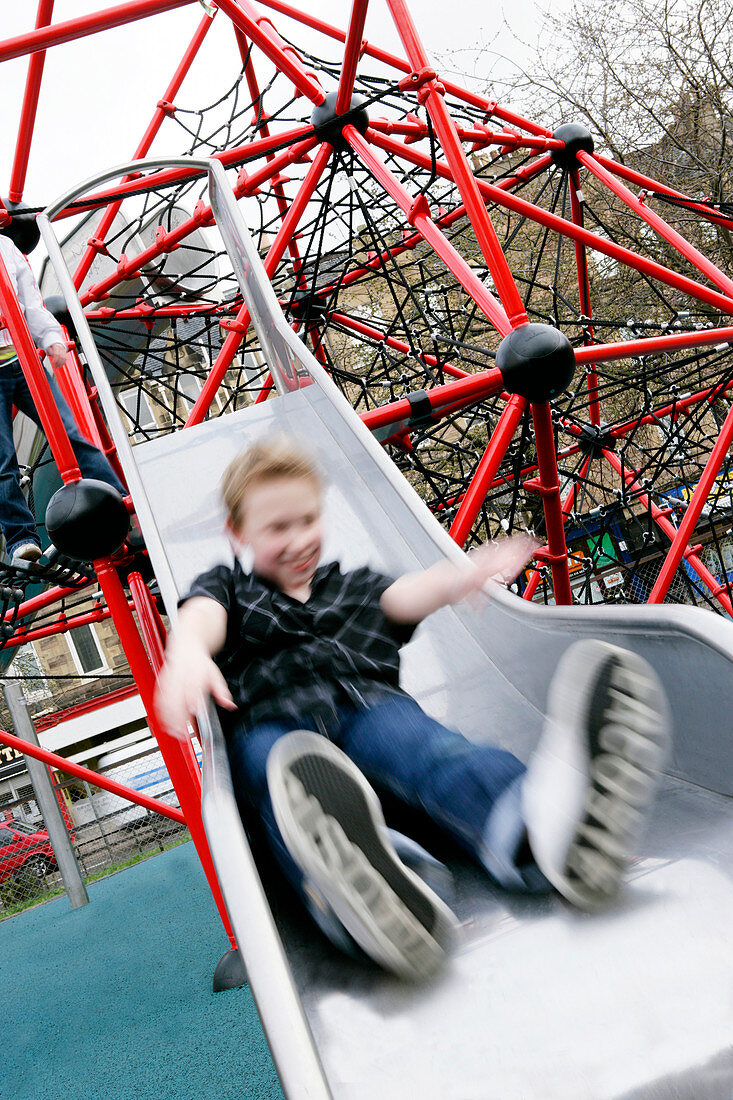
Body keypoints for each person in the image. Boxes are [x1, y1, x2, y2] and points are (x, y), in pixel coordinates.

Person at [155, 437, 669, 981]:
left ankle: (542, 827)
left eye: (307, 520)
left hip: (368, 710)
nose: (298, 539)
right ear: (237, 533)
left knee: (429, 749)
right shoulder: (229, 590)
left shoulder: (352, 588)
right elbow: (201, 615)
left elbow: (408, 593)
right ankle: (377, 887)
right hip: (276, 726)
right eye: (277, 528)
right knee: (276, 774)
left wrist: (461, 575)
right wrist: (187, 652)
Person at [0, 233, 126, 565]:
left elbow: (29, 302)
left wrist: (51, 337)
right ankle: (21, 539)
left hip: (23, 358)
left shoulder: (5, 246)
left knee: (70, 437)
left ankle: (123, 502)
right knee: (2, 461)